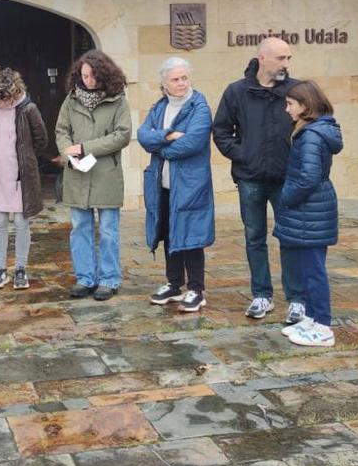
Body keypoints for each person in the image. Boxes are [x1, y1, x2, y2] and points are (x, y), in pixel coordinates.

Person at [212, 37, 306, 324]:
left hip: (286, 178)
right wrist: (243, 155)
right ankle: (261, 295)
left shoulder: (297, 90)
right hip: (250, 178)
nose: (286, 64)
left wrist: (298, 159)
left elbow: (314, 123)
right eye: (281, 58)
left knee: (290, 238)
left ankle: (297, 300)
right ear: (262, 58)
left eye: (288, 58)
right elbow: (221, 130)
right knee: (254, 237)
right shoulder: (237, 92)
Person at [138, 56, 215, 313]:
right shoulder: (160, 107)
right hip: (163, 183)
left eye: (184, 78)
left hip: (191, 184)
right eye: (175, 79)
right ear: (164, 83)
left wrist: (161, 148)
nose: (181, 83)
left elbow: (192, 142)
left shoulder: (199, 106)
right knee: (170, 232)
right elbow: (142, 136)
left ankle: (196, 289)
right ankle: (174, 283)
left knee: (191, 235)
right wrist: (167, 136)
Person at [56, 49, 132, 301]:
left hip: (105, 175)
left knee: (109, 230)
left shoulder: (118, 100)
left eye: (91, 76)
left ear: (104, 75)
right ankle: (85, 278)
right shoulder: (71, 100)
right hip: (77, 175)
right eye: (83, 75)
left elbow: (122, 135)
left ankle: (109, 279)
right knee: (79, 228)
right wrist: (68, 154)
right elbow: (61, 130)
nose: (86, 80)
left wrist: (87, 148)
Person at [276, 80, 343, 348]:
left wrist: (285, 197)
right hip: (310, 210)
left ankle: (323, 325)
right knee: (306, 268)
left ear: (305, 105)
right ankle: (313, 317)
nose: (287, 109)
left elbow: (308, 177)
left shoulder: (312, 135)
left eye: (290, 104)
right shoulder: (312, 131)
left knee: (314, 270)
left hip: (310, 210)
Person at [0, 66, 48, 290]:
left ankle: (20, 269)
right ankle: (0, 269)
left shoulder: (29, 109)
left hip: (21, 177)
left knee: (20, 222)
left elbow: (42, 140)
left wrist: (26, 158)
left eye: (7, 98)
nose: (4, 102)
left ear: (16, 93)